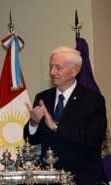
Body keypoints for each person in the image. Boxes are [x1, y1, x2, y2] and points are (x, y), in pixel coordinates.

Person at [23, 46, 107, 185]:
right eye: (51, 67)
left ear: (75, 70)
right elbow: (30, 141)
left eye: (58, 67)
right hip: (48, 177)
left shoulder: (93, 100)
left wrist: (56, 126)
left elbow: (93, 139)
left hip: (82, 177)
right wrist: (33, 123)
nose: (52, 72)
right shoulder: (43, 97)